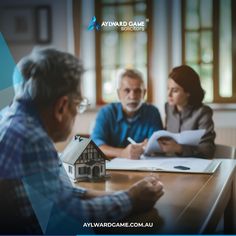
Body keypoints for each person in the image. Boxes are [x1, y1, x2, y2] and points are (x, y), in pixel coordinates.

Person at [0, 48, 164, 234]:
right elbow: (66, 219)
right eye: (78, 104)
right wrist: (132, 198)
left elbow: (53, 192)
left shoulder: (10, 120)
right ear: (62, 107)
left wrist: (114, 195)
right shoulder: (32, 139)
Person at [91, 69, 163, 159]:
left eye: (137, 91)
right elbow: (95, 145)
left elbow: (156, 143)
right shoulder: (106, 112)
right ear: (118, 94)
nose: (132, 96)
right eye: (127, 90)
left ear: (144, 93)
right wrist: (122, 153)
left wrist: (150, 145)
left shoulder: (152, 112)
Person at [158, 65, 215, 158]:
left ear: (188, 92)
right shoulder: (168, 107)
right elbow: (167, 137)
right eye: (168, 88)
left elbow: (207, 150)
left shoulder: (203, 112)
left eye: (175, 90)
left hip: (195, 167)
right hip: (169, 164)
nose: (169, 94)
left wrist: (180, 148)